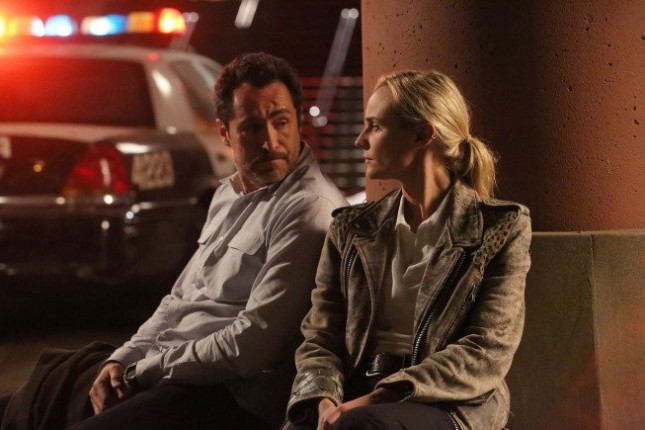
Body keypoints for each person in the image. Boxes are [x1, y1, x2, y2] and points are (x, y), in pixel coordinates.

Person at [0, 52, 346, 430]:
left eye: (281, 122)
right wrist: (123, 359)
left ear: (298, 121)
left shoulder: (308, 208)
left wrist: (144, 371)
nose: (270, 142)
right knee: (25, 401)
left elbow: (253, 347)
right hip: (170, 373)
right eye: (251, 128)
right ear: (225, 133)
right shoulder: (228, 193)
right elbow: (179, 300)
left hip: (228, 396)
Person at [284, 70, 532, 430]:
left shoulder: (500, 227)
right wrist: (322, 396)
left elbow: (485, 349)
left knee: (362, 425)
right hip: (355, 388)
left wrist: (375, 398)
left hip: (447, 402)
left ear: (421, 134)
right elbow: (321, 335)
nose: (360, 140)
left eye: (374, 126)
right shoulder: (351, 228)